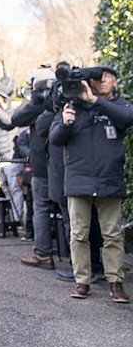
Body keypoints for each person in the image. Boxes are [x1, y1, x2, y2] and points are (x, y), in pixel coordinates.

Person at [49, 65, 133, 302]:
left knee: (112, 235)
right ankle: (82, 281)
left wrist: (95, 101)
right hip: (79, 178)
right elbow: (55, 139)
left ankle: (115, 282)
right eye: (99, 77)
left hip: (109, 178)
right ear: (90, 82)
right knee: (78, 234)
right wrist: (65, 123)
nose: (103, 80)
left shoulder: (120, 106)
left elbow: (127, 118)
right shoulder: (73, 104)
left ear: (115, 82)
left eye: (108, 77)